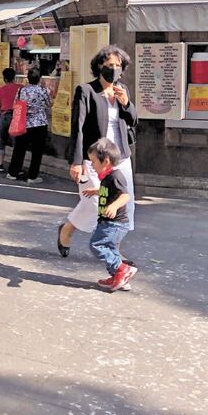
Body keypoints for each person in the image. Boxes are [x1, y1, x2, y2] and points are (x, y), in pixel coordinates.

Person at [59, 45, 137, 257]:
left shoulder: (122, 90)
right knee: (96, 202)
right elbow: (77, 127)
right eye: (110, 65)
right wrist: (76, 162)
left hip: (120, 157)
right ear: (99, 66)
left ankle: (114, 249)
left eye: (118, 65)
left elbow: (133, 120)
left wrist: (126, 103)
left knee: (123, 203)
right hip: (94, 158)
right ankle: (67, 229)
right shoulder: (86, 91)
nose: (114, 69)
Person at [84, 138, 138, 291]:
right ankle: (119, 278)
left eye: (93, 162)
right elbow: (110, 192)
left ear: (106, 161)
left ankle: (122, 269)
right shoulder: (107, 177)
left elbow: (125, 196)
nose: (92, 166)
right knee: (110, 249)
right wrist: (96, 191)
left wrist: (114, 206)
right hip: (110, 222)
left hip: (114, 223)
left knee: (96, 245)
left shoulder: (115, 176)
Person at [6, 67, 51, 183]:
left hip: (24, 123)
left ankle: (13, 172)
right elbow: (49, 104)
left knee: (19, 149)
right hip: (40, 123)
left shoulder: (22, 90)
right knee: (37, 152)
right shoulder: (43, 91)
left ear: (28, 78)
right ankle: (32, 176)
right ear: (40, 78)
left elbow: (16, 104)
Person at [0, 68, 20, 172]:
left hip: (4, 115)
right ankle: (16, 165)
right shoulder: (20, 88)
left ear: (4, 78)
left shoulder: (1, 90)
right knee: (16, 142)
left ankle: (0, 163)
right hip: (16, 116)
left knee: (2, 140)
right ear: (14, 77)